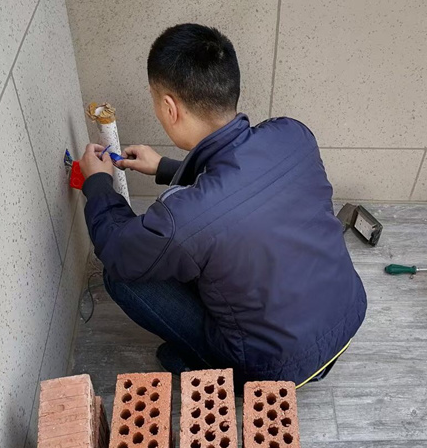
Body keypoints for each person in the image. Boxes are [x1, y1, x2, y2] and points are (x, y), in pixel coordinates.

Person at [78, 23, 366, 386]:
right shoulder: (293, 134)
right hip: (346, 317)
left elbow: (119, 250)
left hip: (272, 369)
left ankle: (211, 367)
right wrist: (166, 167)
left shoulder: (182, 218)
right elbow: (234, 186)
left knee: (121, 277)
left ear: (169, 107)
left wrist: (97, 182)